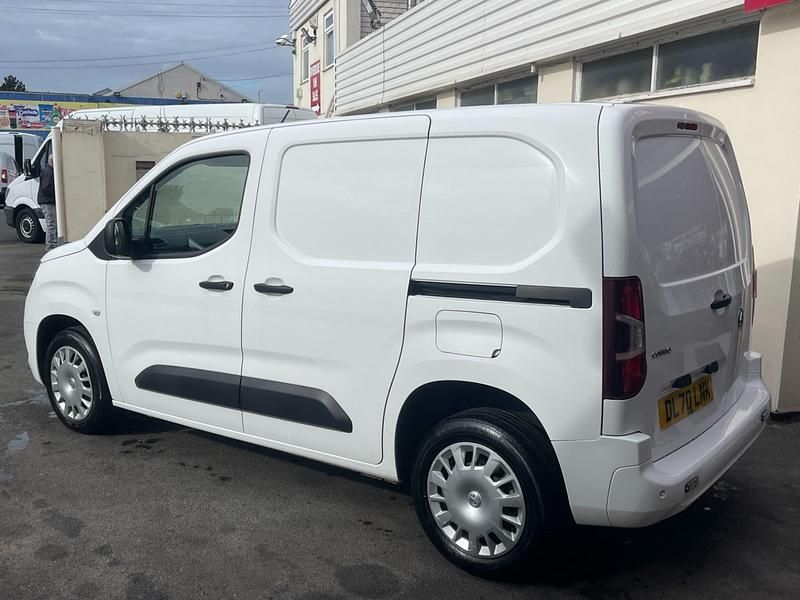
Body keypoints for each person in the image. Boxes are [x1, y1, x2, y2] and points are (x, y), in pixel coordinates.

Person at [37, 154, 57, 250]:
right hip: (48, 202)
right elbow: (46, 188)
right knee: (51, 224)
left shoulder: (47, 171)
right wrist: (57, 194)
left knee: (52, 224)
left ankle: (52, 244)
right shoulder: (49, 172)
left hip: (46, 201)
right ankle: (51, 246)